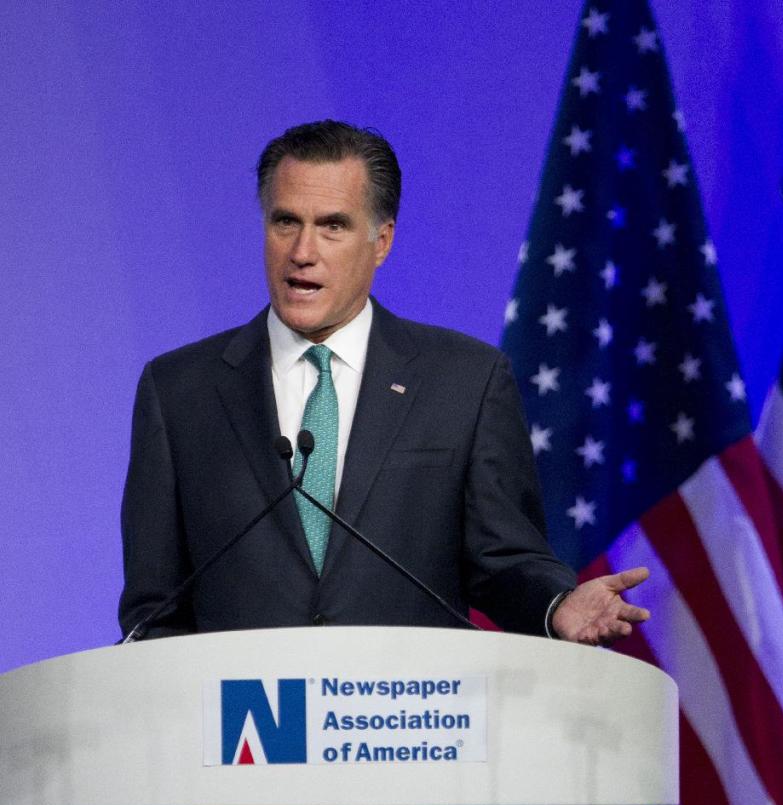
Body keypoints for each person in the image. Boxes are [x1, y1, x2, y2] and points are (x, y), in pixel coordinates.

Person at [119, 120, 649, 644]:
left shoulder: (465, 381)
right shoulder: (179, 391)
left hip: (401, 716)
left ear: (382, 241)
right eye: (286, 222)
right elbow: (155, 606)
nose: (303, 251)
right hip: (247, 720)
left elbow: (503, 559)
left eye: (332, 226)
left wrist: (556, 605)